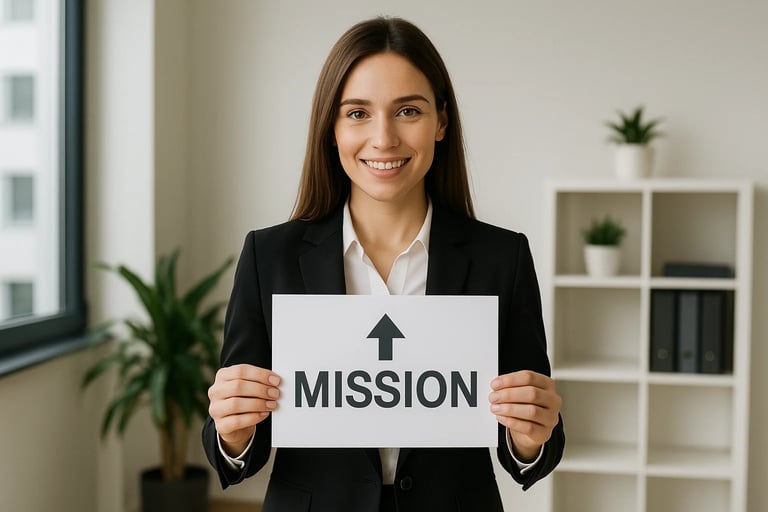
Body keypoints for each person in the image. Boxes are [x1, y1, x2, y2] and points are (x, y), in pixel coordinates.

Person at [202, 16, 564, 512]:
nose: (383, 138)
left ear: (441, 122)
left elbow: (533, 450)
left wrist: (530, 436)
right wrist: (233, 431)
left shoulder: (503, 258)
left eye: (408, 111)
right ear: (331, 129)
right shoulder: (270, 257)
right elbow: (237, 451)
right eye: (357, 113)